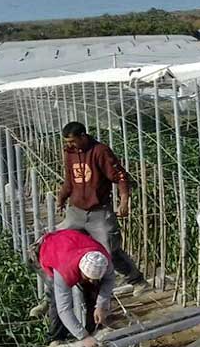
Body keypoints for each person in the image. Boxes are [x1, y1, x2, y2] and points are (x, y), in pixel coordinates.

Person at [56, 122, 148, 297]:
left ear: (83, 136)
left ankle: (136, 280)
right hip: (76, 211)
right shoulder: (69, 154)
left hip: (99, 211)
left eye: (73, 141)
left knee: (109, 250)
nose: (69, 145)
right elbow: (69, 180)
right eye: (67, 141)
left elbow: (120, 176)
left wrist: (124, 201)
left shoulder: (100, 151)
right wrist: (61, 198)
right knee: (60, 243)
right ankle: (63, 291)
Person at [39, 228, 114, 347]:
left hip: (74, 243)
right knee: (56, 300)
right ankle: (57, 338)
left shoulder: (104, 261)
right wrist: (83, 337)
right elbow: (64, 309)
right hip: (51, 250)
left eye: (94, 278)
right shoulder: (64, 271)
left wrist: (101, 305)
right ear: (80, 270)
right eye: (88, 277)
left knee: (94, 290)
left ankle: (94, 328)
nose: (91, 280)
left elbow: (109, 280)